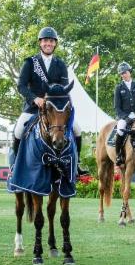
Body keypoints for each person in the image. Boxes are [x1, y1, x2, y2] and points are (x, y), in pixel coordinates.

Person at [13, 27, 84, 169]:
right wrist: (35, 98)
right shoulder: (30, 63)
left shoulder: (61, 64)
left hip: (55, 109)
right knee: (18, 130)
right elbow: (21, 86)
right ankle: (16, 165)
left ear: (55, 44)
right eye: (45, 41)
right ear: (40, 43)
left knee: (77, 129)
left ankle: (76, 164)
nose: (48, 43)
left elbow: (64, 88)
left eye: (51, 41)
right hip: (33, 108)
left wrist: (55, 100)